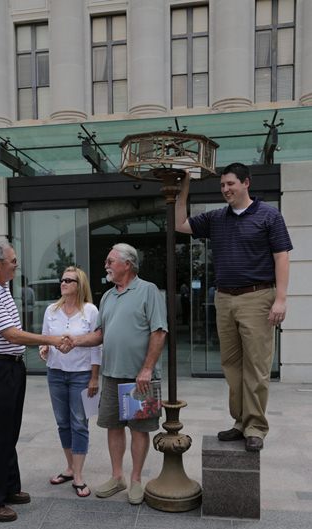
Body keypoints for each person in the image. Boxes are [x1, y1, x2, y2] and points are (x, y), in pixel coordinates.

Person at [175, 163, 293, 452]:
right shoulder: (217, 218)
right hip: (224, 298)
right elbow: (180, 224)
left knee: (257, 366)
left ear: (246, 183)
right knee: (232, 366)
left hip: (258, 296)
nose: (226, 189)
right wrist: (184, 186)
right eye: (222, 185)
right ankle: (240, 422)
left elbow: (281, 257)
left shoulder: (269, 215)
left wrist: (281, 298)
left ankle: (256, 426)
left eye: (231, 184)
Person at [0, 241, 67, 522]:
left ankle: (9, 487)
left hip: (10, 368)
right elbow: (11, 335)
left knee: (9, 431)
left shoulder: (2, 288)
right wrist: (50, 339)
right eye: (13, 260)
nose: (17, 264)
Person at [66, 243, 167, 505]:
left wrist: (146, 369)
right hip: (111, 374)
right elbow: (99, 334)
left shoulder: (148, 291)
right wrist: (74, 341)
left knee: (139, 429)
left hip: (140, 377)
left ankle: (135, 480)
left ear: (128, 264)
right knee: (113, 426)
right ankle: (117, 476)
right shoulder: (108, 297)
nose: (106, 265)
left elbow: (159, 331)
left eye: (111, 261)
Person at [40, 266, 101, 498]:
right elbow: (46, 339)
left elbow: (98, 345)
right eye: (62, 279)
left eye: (69, 280)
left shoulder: (90, 311)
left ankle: (78, 474)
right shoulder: (51, 310)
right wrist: (44, 349)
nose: (63, 283)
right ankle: (69, 467)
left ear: (79, 285)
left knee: (79, 423)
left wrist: (94, 377)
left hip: (82, 375)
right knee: (62, 422)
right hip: (55, 373)